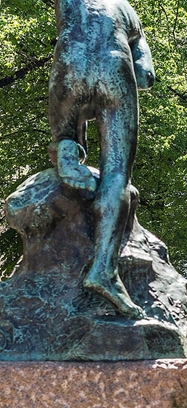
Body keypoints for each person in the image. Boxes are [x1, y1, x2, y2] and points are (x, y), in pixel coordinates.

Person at [49, 0, 156, 319]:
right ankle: (103, 270)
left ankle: (67, 146)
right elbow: (145, 75)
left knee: (65, 125)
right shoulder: (125, 9)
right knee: (117, 176)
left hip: (70, 62)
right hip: (114, 68)